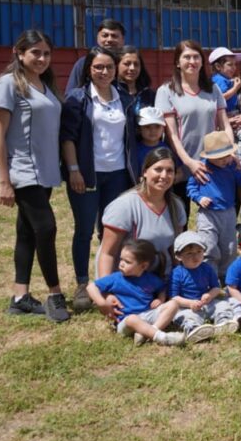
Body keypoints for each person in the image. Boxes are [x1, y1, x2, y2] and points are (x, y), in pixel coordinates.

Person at [0, 29, 69, 322]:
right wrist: (4, 181)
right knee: (46, 228)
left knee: (27, 232)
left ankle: (20, 296)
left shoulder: (45, 85)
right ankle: (55, 294)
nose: (42, 58)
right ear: (19, 53)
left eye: (46, 53)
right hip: (23, 172)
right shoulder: (6, 85)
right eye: (35, 52)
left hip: (45, 172)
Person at [60, 45, 136, 311]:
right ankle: (82, 283)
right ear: (89, 70)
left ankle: (110, 279)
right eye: (98, 67)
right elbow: (68, 138)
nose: (104, 72)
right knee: (83, 230)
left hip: (118, 176)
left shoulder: (124, 98)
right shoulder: (77, 98)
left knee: (112, 231)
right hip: (88, 175)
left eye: (109, 67)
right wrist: (74, 170)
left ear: (116, 70)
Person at [155, 39, 231, 218]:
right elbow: (171, 134)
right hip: (181, 166)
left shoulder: (213, 89)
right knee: (179, 219)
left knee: (214, 218)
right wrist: (189, 163)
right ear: (177, 62)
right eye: (186, 57)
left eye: (196, 57)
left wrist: (229, 152)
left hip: (212, 165)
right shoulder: (166, 91)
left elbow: (225, 124)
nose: (192, 61)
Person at [97, 147, 187, 281]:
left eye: (170, 171)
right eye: (158, 169)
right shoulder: (124, 205)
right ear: (145, 172)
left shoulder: (176, 206)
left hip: (162, 279)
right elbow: (107, 254)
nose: (164, 176)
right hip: (127, 281)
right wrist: (107, 290)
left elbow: (176, 251)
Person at [87, 239, 184, 346]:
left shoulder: (151, 279)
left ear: (143, 266)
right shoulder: (116, 278)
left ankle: (149, 332)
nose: (121, 264)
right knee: (132, 319)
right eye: (121, 259)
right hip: (125, 322)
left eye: (127, 262)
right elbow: (91, 287)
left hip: (147, 314)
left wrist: (160, 299)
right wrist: (102, 303)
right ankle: (162, 337)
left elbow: (162, 289)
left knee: (173, 304)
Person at [186, 132, 241, 279]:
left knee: (229, 246)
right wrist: (199, 198)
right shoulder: (201, 167)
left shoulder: (231, 166)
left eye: (227, 155)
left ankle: (226, 274)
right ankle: (210, 273)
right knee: (208, 245)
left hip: (228, 212)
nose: (225, 160)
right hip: (207, 214)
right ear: (209, 156)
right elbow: (191, 188)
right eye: (220, 157)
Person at [169, 231, 241, 340]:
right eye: (189, 253)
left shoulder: (206, 268)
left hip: (207, 303)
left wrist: (209, 295)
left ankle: (224, 321)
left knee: (222, 305)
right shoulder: (177, 273)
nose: (195, 256)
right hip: (187, 307)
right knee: (183, 316)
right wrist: (189, 303)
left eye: (199, 251)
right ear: (179, 256)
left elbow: (216, 287)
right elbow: (174, 298)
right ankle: (193, 329)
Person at [64, 18, 125, 97]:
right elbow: (71, 95)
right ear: (98, 38)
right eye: (105, 35)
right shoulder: (84, 63)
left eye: (114, 36)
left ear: (122, 39)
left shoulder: (128, 64)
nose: (109, 39)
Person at [134, 106, 175, 179]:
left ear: (163, 128)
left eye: (157, 126)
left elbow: (179, 172)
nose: (153, 131)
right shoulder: (134, 150)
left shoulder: (168, 150)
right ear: (139, 129)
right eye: (147, 127)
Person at [116, 45, 155, 118]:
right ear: (117, 65)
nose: (132, 68)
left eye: (136, 64)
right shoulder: (112, 92)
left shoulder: (149, 95)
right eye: (127, 64)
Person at [209, 47, 241, 116]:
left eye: (235, 64)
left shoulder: (223, 79)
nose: (234, 67)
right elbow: (222, 97)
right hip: (227, 114)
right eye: (230, 64)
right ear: (218, 66)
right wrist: (235, 88)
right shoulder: (219, 79)